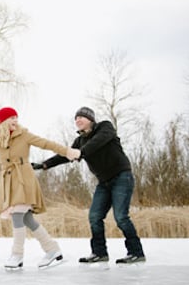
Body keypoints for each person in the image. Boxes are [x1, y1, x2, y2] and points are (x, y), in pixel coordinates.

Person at [33, 106, 146, 265]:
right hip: (103, 182)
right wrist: (44, 165)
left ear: (91, 119)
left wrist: (81, 152)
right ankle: (99, 253)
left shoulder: (105, 127)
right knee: (94, 216)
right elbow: (67, 155)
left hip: (121, 177)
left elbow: (97, 142)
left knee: (121, 217)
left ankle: (136, 252)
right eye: (76, 118)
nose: (78, 120)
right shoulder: (80, 141)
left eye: (81, 117)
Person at [0, 107, 81, 269]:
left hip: (24, 178)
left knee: (18, 215)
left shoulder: (24, 135)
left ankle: (17, 255)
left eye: (16, 117)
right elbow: (0, 162)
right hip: (8, 180)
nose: (15, 121)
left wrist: (67, 151)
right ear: (3, 121)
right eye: (11, 118)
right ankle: (52, 249)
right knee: (27, 219)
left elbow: (46, 143)